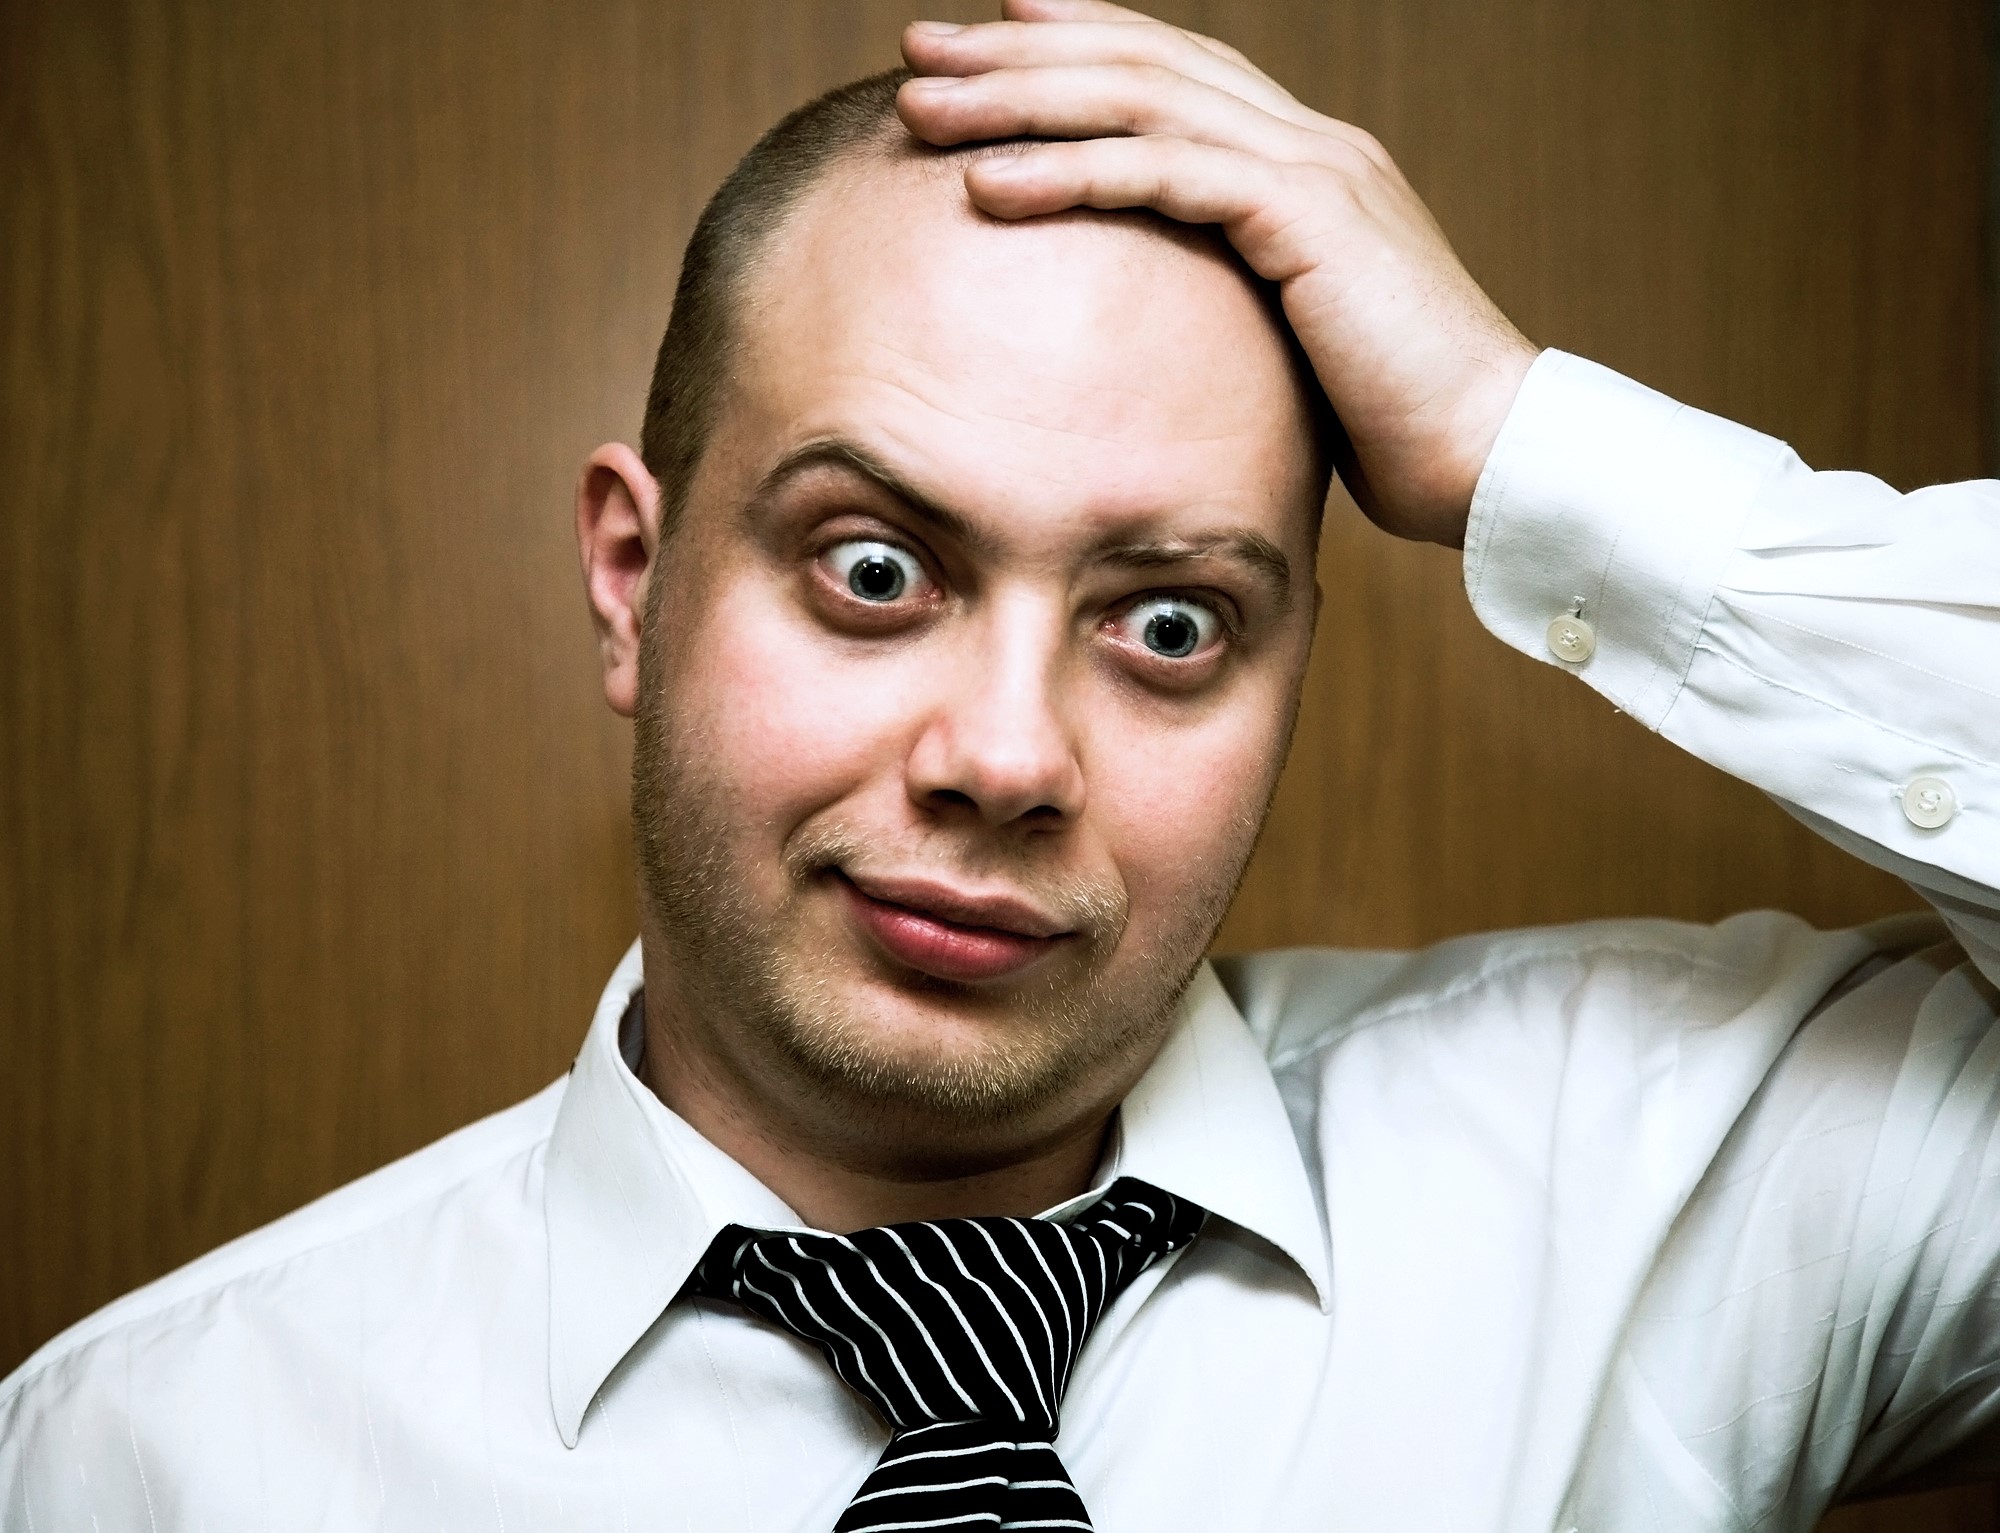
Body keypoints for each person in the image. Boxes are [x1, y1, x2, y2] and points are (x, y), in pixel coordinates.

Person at [3, 2, 1995, 1528]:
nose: (1007, 754)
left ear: (1297, 669)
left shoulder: (1673, 1180)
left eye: (1168, 623)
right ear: (635, 581)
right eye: (874, 569)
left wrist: (1523, 448)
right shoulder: (140, 1455)